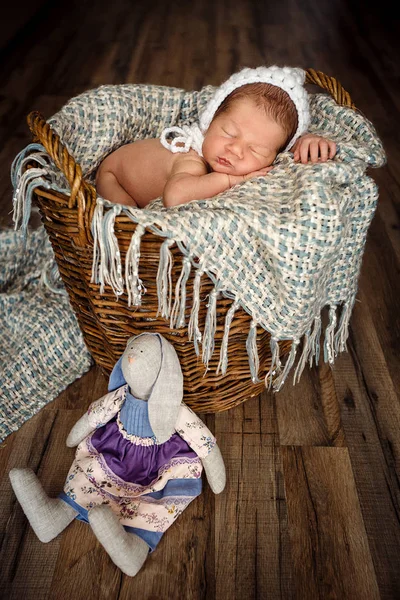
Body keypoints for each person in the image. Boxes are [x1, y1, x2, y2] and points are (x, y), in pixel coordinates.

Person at [95, 66, 337, 209]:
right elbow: (175, 196)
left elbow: (285, 145)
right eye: (229, 133)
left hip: (123, 170)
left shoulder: (271, 145)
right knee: (127, 223)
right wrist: (231, 180)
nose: (235, 150)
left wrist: (306, 140)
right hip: (115, 175)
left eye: (256, 151)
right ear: (209, 123)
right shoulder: (191, 157)